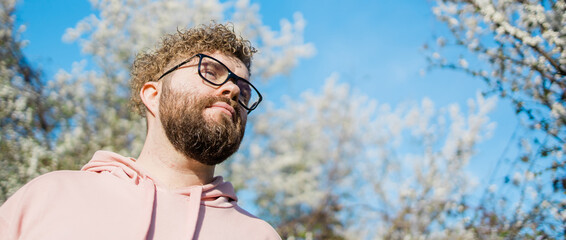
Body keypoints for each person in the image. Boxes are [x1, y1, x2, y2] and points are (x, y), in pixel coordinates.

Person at [0, 23, 281, 240]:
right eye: (209, 72)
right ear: (152, 95)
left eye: (244, 91)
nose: (232, 90)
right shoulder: (50, 195)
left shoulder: (259, 235)